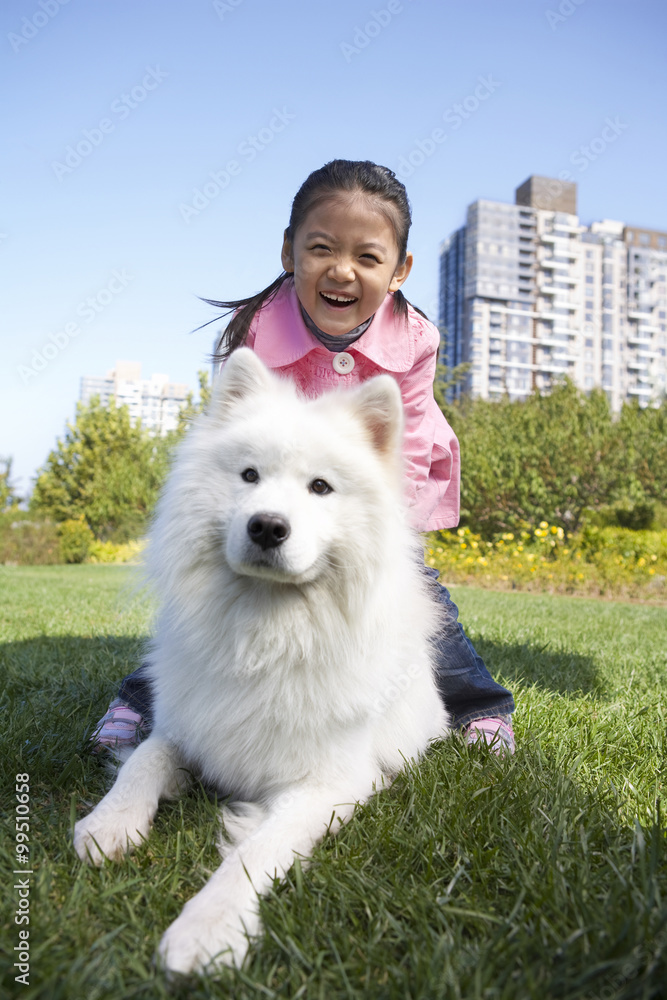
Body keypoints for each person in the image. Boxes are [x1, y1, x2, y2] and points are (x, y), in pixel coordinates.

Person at [92, 160, 515, 756]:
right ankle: (140, 702)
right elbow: (236, 435)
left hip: (365, 491)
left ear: (399, 272)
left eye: (367, 257)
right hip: (272, 485)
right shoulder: (256, 331)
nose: (342, 270)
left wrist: (393, 525)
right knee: (201, 602)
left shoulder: (415, 339)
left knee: (418, 600)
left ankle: (482, 706)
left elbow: (408, 436)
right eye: (322, 248)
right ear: (290, 252)